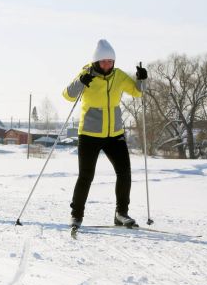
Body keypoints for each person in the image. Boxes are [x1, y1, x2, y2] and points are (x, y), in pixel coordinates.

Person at [62, 39, 147, 229]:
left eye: (110, 61)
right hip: (89, 134)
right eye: (104, 61)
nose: (107, 64)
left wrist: (141, 79)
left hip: (114, 135)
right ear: (96, 62)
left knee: (124, 172)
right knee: (86, 176)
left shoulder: (119, 76)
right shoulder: (87, 74)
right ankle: (76, 216)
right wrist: (80, 82)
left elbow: (138, 93)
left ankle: (121, 214)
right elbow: (67, 95)